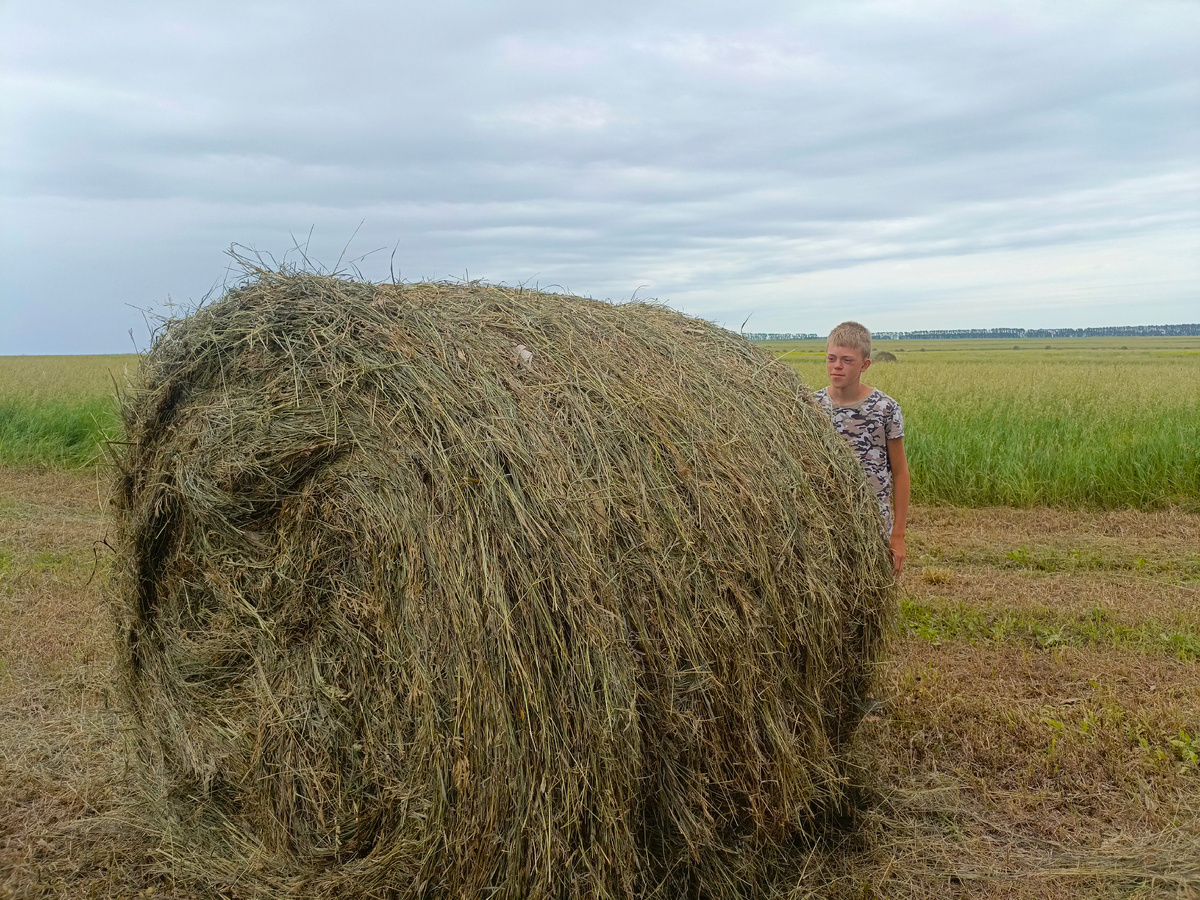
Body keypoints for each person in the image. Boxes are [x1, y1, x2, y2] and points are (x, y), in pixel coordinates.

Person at [813, 321, 909, 576]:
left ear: (865, 365)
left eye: (847, 360)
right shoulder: (811, 407)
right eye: (831, 358)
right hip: (825, 525)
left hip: (874, 525)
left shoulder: (886, 408)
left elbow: (900, 473)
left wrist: (897, 534)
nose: (837, 366)